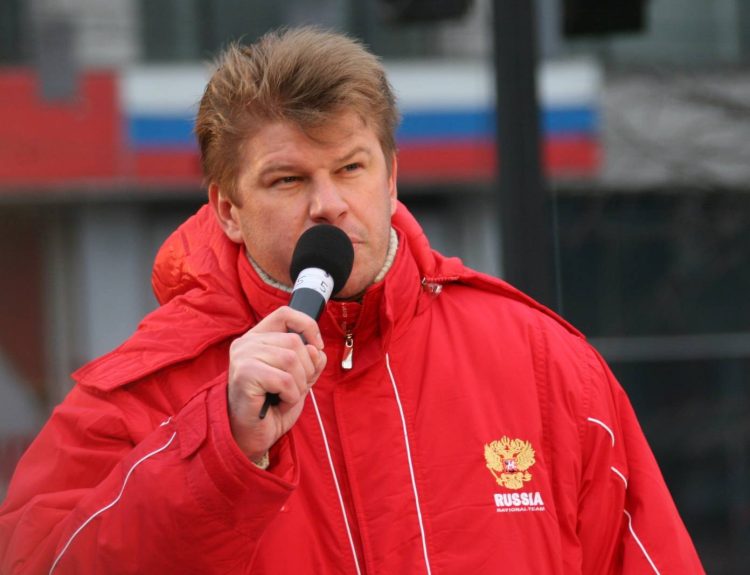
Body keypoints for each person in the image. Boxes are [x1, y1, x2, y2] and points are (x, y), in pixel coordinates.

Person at [0, 27, 704, 574]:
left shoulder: (546, 364)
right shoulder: (135, 400)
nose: (328, 204)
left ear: (390, 178)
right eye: (287, 180)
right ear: (228, 210)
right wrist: (218, 451)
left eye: (350, 168)